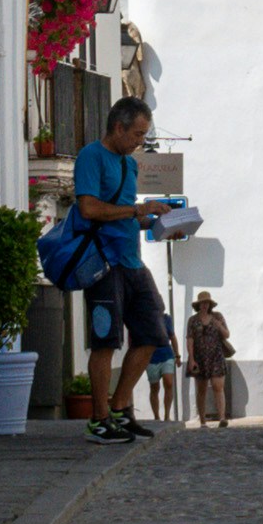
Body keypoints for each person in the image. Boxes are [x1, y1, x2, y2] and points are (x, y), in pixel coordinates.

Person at [65, 95, 176, 440]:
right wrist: (135, 212)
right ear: (118, 127)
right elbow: (89, 209)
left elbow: (126, 215)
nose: (140, 142)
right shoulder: (91, 157)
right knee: (105, 343)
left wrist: (158, 222)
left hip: (132, 261)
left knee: (153, 335)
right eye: (138, 135)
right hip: (103, 263)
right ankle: (99, 420)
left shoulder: (130, 165)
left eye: (143, 136)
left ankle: (119, 408)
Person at [185, 292, 238, 426]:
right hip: (199, 357)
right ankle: (203, 421)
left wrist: (218, 325)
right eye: (202, 303)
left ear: (210, 304)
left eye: (207, 303)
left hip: (216, 356)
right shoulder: (193, 320)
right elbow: (190, 340)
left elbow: (226, 334)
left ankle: (222, 418)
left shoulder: (217, 316)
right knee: (201, 389)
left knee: (217, 386)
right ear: (198, 305)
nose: (205, 305)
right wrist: (191, 359)